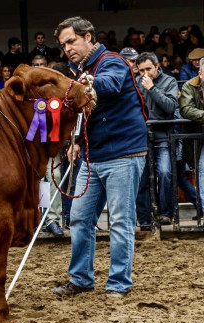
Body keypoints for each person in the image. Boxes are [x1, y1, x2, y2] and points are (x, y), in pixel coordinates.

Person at [52, 16, 147, 298]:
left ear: (88, 37)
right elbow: (87, 112)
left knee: (120, 221)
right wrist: (77, 141)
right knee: (80, 218)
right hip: (95, 155)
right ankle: (81, 278)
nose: (67, 48)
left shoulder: (112, 61)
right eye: (63, 44)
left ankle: (118, 283)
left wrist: (87, 82)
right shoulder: (83, 70)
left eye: (71, 41)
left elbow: (109, 84)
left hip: (124, 152)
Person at [134, 52, 178, 227]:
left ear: (157, 66)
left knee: (165, 173)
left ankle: (165, 213)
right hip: (141, 137)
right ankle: (144, 218)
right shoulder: (136, 82)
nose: (145, 73)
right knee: (142, 178)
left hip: (162, 136)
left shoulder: (169, 81)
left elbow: (170, 106)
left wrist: (152, 88)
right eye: (141, 70)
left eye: (148, 69)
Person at [180, 58, 204, 215]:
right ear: (201, 74)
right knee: (203, 171)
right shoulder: (190, 85)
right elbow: (186, 109)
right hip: (201, 136)